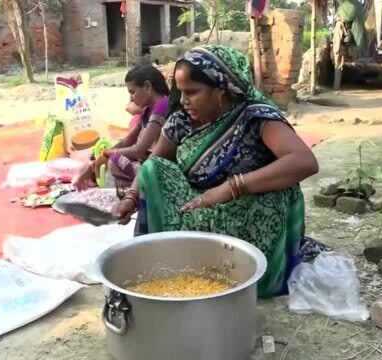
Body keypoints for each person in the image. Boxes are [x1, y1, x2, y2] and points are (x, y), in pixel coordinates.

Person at [113, 45, 319, 298]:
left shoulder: (255, 117)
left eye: (193, 92)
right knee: (154, 171)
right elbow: (151, 164)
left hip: (250, 214)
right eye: (181, 92)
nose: (184, 100)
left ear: (221, 90)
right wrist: (131, 198)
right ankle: (171, 261)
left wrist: (230, 188)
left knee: (274, 196)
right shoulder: (182, 121)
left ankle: (258, 270)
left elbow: (304, 161)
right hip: (199, 208)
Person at [74, 65, 170, 190]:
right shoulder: (148, 110)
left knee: (114, 160)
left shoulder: (162, 105)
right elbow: (127, 141)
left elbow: (139, 150)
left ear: (147, 87)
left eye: (132, 92)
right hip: (148, 163)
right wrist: (98, 159)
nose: (131, 98)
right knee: (108, 161)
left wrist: (107, 154)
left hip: (161, 168)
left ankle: (120, 194)